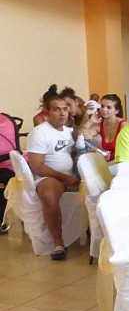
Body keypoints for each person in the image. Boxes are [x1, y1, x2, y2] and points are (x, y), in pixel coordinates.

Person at [26, 94, 79, 260]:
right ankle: (58, 243)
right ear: (47, 113)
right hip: (48, 177)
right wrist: (63, 177)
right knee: (49, 193)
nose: (62, 114)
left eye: (65, 109)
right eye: (57, 110)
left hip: (70, 175)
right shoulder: (39, 133)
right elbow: (37, 166)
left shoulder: (70, 132)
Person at [97, 94, 127, 162]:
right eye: (102, 106)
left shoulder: (123, 126)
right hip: (108, 162)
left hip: (122, 162)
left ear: (116, 111)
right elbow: (81, 133)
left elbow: (126, 155)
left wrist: (106, 165)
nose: (104, 109)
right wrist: (90, 121)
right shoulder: (99, 124)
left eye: (109, 107)